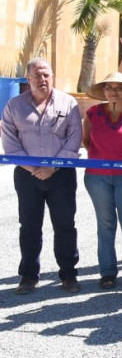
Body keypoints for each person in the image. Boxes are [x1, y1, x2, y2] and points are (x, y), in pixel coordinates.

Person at [2, 58, 83, 294]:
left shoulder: (68, 103)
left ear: (52, 77)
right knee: (29, 226)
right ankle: (28, 276)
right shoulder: (14, 106)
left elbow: (74, 139)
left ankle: (68, 274)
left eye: (46, 74)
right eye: (37, 75)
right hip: (27, 177)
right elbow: (10, 144)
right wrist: (34, 169)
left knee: (65, 225)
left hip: (61, 175)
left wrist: (52, 167)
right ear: (28, 79)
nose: (42, 79)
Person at [83, 72, 122, 289]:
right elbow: (86, 141)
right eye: (109, 87)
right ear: (103, 91)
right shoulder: (92, 113)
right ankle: (108, 272)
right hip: (97, 178)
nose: (114, 92)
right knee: (105, 224)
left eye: (119, 88)